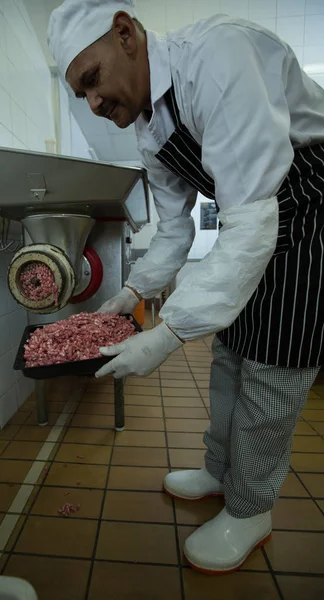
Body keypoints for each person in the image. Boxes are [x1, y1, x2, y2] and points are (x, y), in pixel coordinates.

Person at [48, 0, 324, 575]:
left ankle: (252, 510)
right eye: (81, 96)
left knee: (272, 370)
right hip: (257, 219)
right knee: (230, 356)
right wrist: (134, 294)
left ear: (125, 32)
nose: (94, 104)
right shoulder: (151, 127)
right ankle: (220, 473)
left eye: (93, 80)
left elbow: (250, 222)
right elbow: (174, 229)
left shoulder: (218, 58)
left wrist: (168, 333)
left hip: (312, 213)